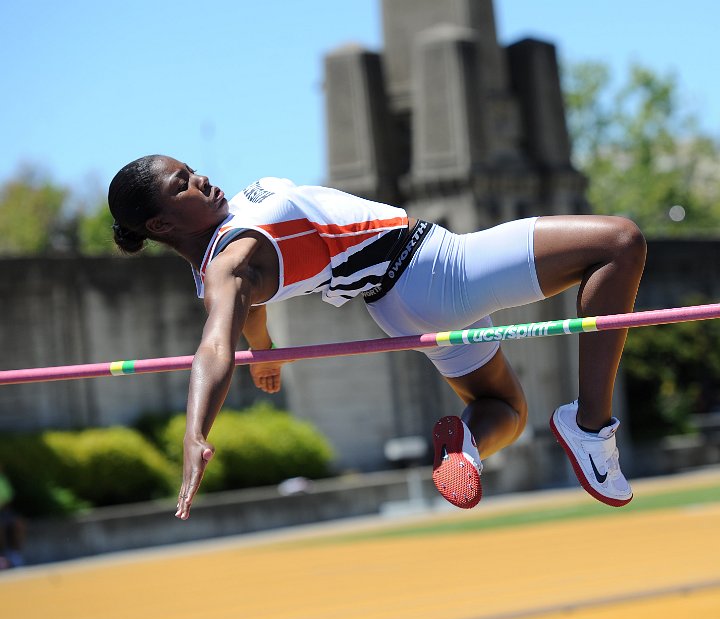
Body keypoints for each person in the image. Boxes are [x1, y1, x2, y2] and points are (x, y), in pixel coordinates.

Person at [107, 155, 646, 519]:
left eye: (192, 171)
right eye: (182, 186)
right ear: (158, 226)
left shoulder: (219, 261)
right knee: (619, 243)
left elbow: (245, 315)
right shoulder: (228, 264)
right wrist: (194, 431)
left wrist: (264, 350)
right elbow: (214, 344)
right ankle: (591, 428)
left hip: (399, 307)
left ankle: (467, 447)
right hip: (434, 268)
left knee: (504, 407)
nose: (200, 180)